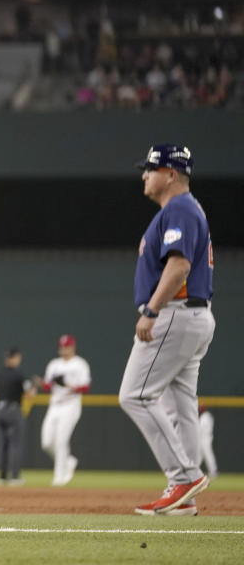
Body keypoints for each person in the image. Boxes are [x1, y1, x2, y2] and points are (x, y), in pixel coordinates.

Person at [119, 144, 214, 517]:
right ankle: (184, 497)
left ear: (171, 174)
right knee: (181, 406)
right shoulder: (185, 210)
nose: (144, 174)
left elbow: (179, 266)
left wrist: (151, 309)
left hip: (175, 312)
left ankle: (185, 476)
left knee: (135, 395)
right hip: (192, 315)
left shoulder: (179, 208)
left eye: (151, 169)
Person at [37, 334, 91, 486]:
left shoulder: (80, 364)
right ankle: (68, 461)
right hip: (55, 404)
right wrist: (42, 383)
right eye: (61, 347)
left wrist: (69, 385)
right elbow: (48, 386)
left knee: (61, 441)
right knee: (46, 443)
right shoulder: (54, 364)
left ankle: (59, 478)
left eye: (66, 346)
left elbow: (86, 387)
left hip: (71, 405)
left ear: (73, 347)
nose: (63, 349)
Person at [0, 347, 36, 486]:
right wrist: (34, 386)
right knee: (15, 444)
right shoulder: (19, 375)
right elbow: (30, 393)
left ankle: (2, 477)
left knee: (2, 444)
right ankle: (15, 477)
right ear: (15, 358)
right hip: (13, 409)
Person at [198, 405, 218, 478]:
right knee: (199, 456)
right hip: (204, 437)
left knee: (208, 455)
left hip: (205, 437)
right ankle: (195, 472)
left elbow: (200, 429)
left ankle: (213, 471)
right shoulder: (207, 416)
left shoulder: (205, 417)